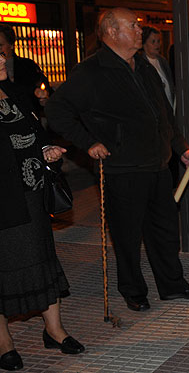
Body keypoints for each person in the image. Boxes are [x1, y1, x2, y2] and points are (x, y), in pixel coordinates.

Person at [45, 7, 189, 312]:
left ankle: (172, 285)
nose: (139, 30)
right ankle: (133, 289)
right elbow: (57, 111)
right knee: (127, 235)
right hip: (121, 168)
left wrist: (181, 148)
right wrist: (88, 142)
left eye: (138, 25)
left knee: (164, 230)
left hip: (157, 164)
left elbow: (164, 115)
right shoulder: (92, 70)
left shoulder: (144, 66)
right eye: (132, 26)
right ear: (110, 32)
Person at [0, 55, 84, 372]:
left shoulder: (17, 92)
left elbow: (38, 134)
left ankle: (54, 330)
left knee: (43, 257)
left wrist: (48, 151)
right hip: (4, 198)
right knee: (4, 264)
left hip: (32, 193)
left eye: (1, 52)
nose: (2, 58)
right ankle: (3, 341)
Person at [0, 25, 50, 117]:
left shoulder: (27, 66)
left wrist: (42, 96)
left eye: (0, 46)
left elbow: (43, 88)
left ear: (11, 44)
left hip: (28, 117)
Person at [141, 26, 175, 110]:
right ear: (144, 44)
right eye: (153, 42)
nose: (157, 45)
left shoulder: (163, 61)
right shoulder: (141, 63)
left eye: (158, 41)